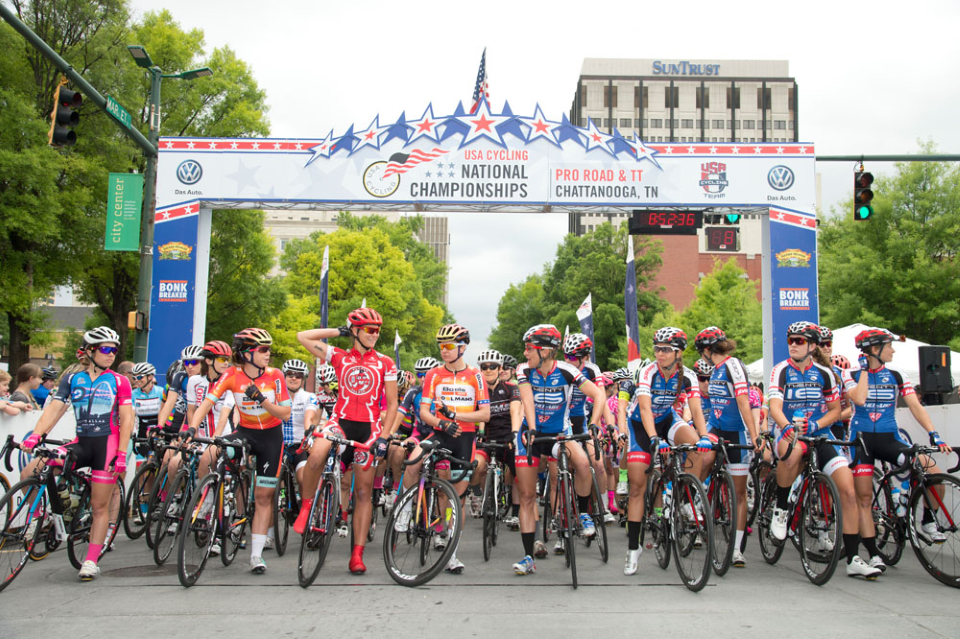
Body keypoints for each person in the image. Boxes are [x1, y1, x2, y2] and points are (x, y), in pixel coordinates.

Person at [20, 326, 133, 581]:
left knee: (99, 506)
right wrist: (37, 434)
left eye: (114, 350)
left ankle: (91, 560)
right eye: (105, 349)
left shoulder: (119, 381)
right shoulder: (72, 379)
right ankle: (43, 515)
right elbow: (55, 408)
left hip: (108, 446)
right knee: (39, 465)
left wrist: (122, 452)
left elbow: (127, 419)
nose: (111, 354)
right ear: (90, 351)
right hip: (82, 441)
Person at [766, 321, 877, 578]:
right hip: (788, 429)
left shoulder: (825, 373)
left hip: (820, 432)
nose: (793, 345)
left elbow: (836, 410)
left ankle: (853, 560)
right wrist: (787, 427)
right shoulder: (780, 370)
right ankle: (781, 508)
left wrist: (816, 423)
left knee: (848, 491)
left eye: (799, 341)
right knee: (792, 453)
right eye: (791, 340)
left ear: (812, 346)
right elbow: (774, 406)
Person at [294, 307, 398, 575]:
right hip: (339, 422)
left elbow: (394, 403)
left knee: (363, 493)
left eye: (378, 330)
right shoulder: (339, 357)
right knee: (316, 455)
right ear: (355, 331)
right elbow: (302, 336)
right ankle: (306, 508)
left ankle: (357, 554)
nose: (375, 335)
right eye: (369, 330)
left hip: (370, 429)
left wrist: (384, 438)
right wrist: (337, 332)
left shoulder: (386, 362)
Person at [843, 327, 953, 574]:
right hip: (861, 442)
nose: (893, 350)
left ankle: (926, 521)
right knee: (863, 498)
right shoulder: (849, 373)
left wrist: (933, 433)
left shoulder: (896, 374)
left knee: (930, 469)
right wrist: (864, 370)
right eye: (889, 346)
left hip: (889, 438)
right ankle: (872, 555)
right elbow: (859, 399)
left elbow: (915, 406)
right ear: (874, 349)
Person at [187, 329, 291, 574]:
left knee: (264, 496)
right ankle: (212, 498)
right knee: (212, 454)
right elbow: (208, 402)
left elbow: (285, 414)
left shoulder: (275, 375)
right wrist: (191, 429)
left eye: (269, 349)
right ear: (246, 353)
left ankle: (256, 556)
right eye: (263, 350)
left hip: (271, 438)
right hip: (245, 432)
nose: (268, 354)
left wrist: (262, 401)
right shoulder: (232, 374)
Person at [394, 324, 489, 574]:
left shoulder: (476, 376)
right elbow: (424, 411)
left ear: (462, 347)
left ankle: (452, 554)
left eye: (448, 346)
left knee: (458, 499)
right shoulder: (434, 374)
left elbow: (485, 414)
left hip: (465, 439)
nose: (444, 351)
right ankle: (405, 509)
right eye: (441, 347)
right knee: (414, 460)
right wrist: (442, 423)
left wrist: (457, 416)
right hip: (441, 432)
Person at [511, 324, 604, 577]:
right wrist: (530, 428)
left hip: (559, 433)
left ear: (546, 351)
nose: (525, 353)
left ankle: (584, 513)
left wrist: (594, 422)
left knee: (584, 464)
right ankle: (529, 556)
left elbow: (598, 394)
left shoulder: (566, 370)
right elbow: (527, 400)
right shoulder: (524, 370)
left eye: (530, 348)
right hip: (531, 434)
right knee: (528, 496)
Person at [620, 327, 711, 575]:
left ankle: (682, 495)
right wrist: (653, 439)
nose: (660, 354)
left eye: (666, 350)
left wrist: (703, 436)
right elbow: (646, 410)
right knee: (638, 485)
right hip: (640, 424)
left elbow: (696, 409)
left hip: (667, 419)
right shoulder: (648, 372)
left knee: (696, 447)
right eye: (657, 348)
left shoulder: (688, 376)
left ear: (678, 353)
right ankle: (633, 549)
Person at [695, 326, 763, 568]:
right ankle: (694, 496)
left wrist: (754, 436)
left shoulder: (733, 365)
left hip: (736, 431)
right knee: (702, 460)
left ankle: (736, 549)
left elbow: (743, 402)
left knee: (739, 493)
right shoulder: (715, 370)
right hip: (715, 427)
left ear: (707, 350)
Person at [562, 333, 615, 525]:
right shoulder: (562, 369)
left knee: (598, 464)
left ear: (584, 357)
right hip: (563, 421)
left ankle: (603, 507)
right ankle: (565, 507)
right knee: (565, 466)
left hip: (581, 420)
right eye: (566, 355)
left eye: (574, 357)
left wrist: (607, 424)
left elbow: (602, 399)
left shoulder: (592, 370)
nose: (569, 360)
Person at [470, 349, 521, 532]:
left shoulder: (510, 388)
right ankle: (477, 494)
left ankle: (515, 513)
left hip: (508, 438)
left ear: (500, 368)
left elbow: (515, 411)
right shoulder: (477, 391)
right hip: (487, 438)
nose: (489, 370)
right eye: (485, 367)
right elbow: (480, 415)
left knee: (517, 473)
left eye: (493, 366)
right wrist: (481, 432)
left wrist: (515, 433)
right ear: (480, 369)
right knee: (476, 465)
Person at [156, 346, 204, 434]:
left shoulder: (207, 378)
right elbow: (169, 403)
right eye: (186, 362)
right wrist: (159, 426)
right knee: (174, 446)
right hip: (189, 417)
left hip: (207, 419)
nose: (190, 366)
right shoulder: (181, 377)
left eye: (194, 362)